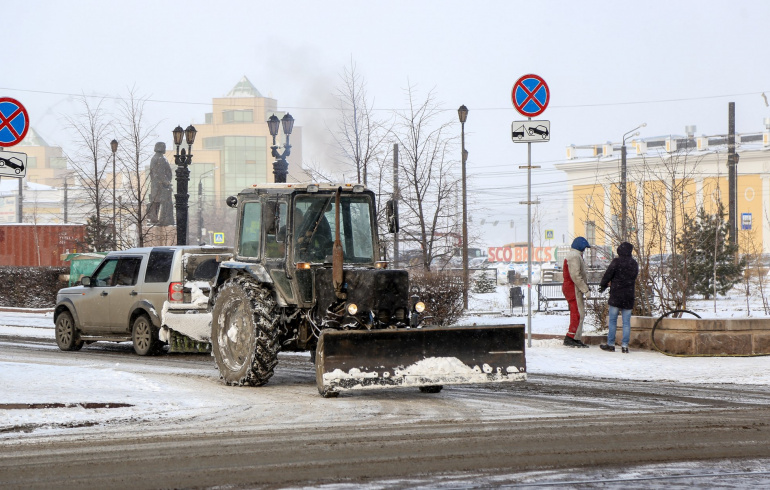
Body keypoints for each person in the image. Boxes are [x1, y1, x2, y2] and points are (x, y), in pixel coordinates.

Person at [599, 241, 639, 354]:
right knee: (626, 322)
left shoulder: (616, 262)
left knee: (612, 320)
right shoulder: (634, 263)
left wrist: (604, 285)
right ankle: (625, 346)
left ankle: (611, 344)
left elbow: (608, 274)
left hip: (616, 295)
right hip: (629, 295)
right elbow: (634, 277)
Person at [563, 236, 591, 348]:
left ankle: (575, 337)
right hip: (573, 288)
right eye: (584, 247)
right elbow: (575, 275)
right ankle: (571, 338)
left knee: (578, 313)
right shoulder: (574, 256)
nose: (585, 250)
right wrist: (585, 289)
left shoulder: (574, 255)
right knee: (578, 313)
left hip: (572, 287)